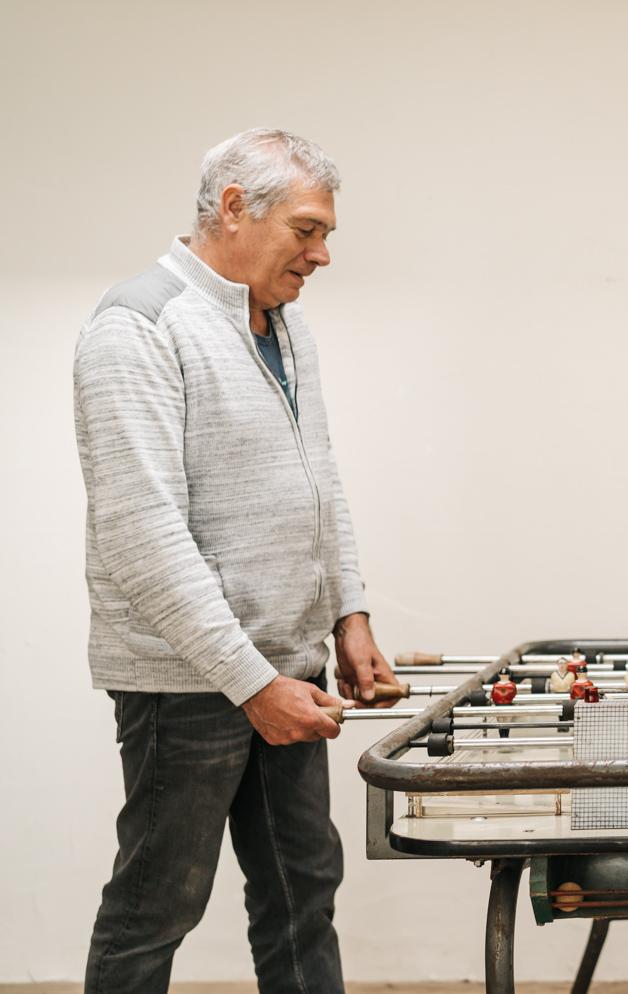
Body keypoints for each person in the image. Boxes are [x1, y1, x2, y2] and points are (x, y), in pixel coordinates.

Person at [73, 128, 398, 994]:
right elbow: (140, 536)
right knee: (156, 907)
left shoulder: (285, 329)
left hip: (289, 670)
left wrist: (349, 613)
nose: (322, 254)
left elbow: (318, 481)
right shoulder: (135, 326)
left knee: (303, 896)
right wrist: (251, 685)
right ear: (231, 209)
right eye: (306, 230)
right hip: (188, 686)